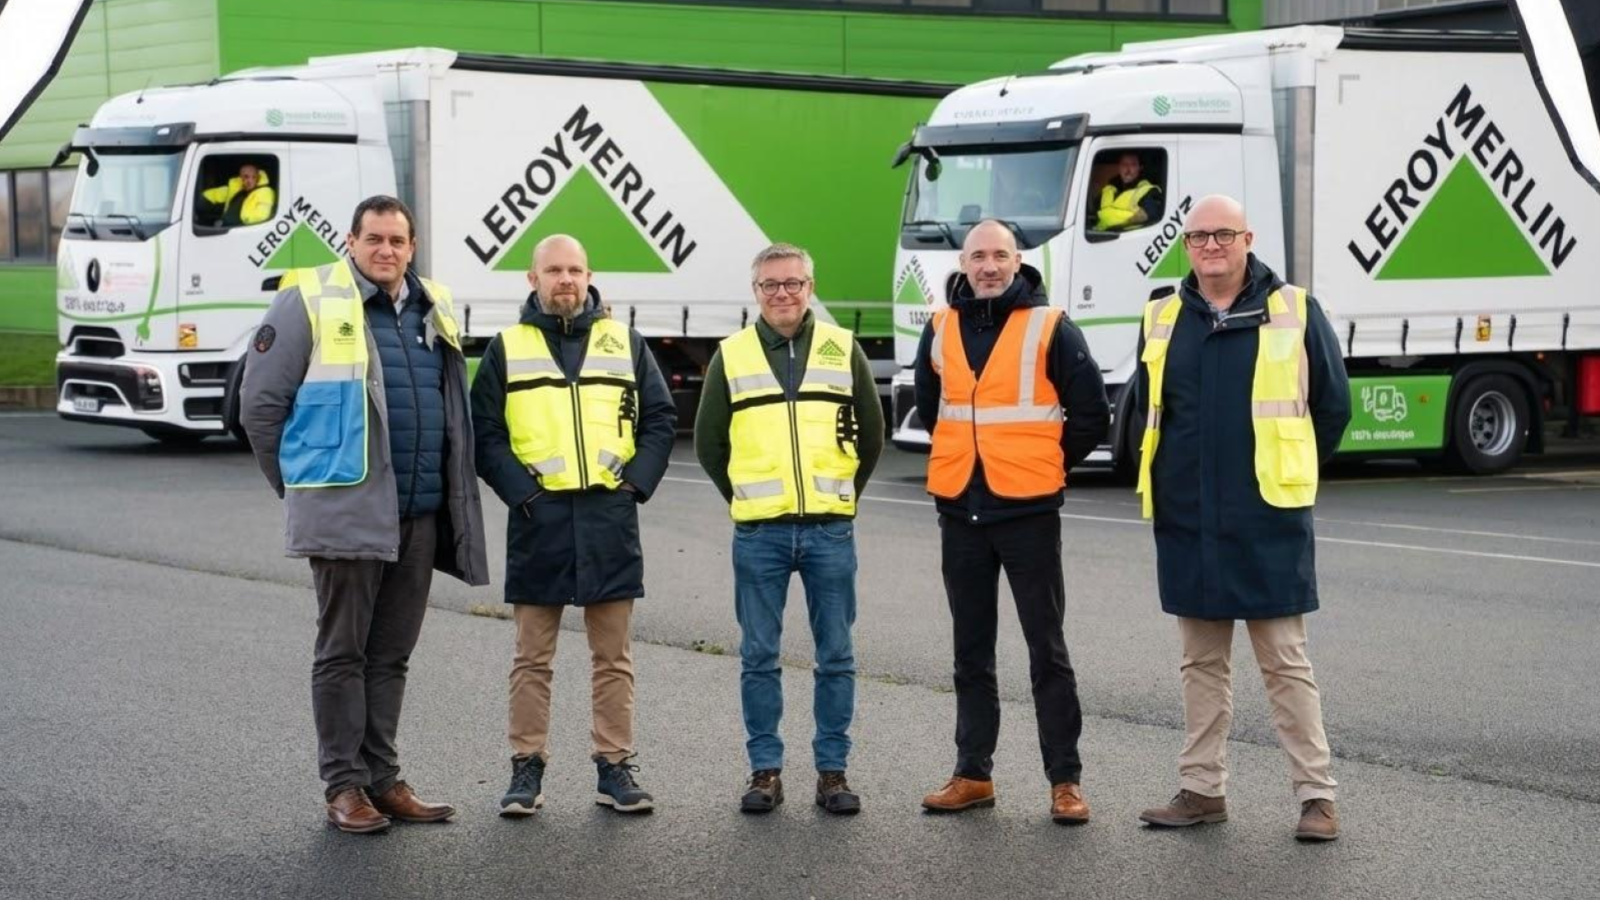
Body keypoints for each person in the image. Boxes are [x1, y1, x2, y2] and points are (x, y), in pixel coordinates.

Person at [239, 194, 488, 834]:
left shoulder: (432, 304)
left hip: (419, 514)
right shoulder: (310, 299)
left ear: (412, 246)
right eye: (373, 239)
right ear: (350, 241)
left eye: (397, 241)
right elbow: (261, 406)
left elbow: (448, 406)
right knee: (342, 653)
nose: (385, 251)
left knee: (391, 656)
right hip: (347, 513)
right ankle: (344, 787)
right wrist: (301, 490)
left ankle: (382, 778)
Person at [1132, 194, 1351, 842]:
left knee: (1284, 661)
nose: (1210, 247)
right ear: (1187, 246)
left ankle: (1317, 797)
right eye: (1198, 237)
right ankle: (1202, 790)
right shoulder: (1163, 316)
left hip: (1268, 518)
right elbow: (1152, 410)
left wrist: (1293, 473)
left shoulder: (1294, 310)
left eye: (1223, 235)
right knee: (1200, 664)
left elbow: (1331, 409)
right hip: (1188, 517)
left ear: (1247, 239)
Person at [471, 234, 676, 817]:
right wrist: (522, 493)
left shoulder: (625, 342)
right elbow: (484, 431)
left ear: (589, 277)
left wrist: (635, 484)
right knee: (532, 657)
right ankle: (525, 770)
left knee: (613, 656)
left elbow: (661, 417)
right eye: (554, 270)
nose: (566, 280)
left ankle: (613, 767)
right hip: (539, 518)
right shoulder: (507, 348)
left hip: (608, 517)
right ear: (532, 279)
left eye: (576, 270)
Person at [913, 219, 1109, 824]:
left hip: (1027, 512)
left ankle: (1065, 782)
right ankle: (973, 774)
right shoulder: (941, 325)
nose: (989, 266)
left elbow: (1092, 415)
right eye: (978, 256)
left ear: (1018, 260)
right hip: (960, 512)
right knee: (970, 653)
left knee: (1045, 651)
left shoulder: (1050, 326)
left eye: (1000, 255)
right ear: (964, 263)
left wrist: (1043, 464)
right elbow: (930, 406)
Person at [694, 243, 884, 815]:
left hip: (829, 532)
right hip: (760, 535)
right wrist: (747, 502)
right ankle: (765, 772)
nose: (783, 293)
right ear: (756, 292)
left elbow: (871, 437)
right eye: (771, 285)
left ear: (810, 286)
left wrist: (841, 496)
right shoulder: (732, 355)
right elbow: (709, 444)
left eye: (793, 283)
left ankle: (833, 773)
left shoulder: (841, 348)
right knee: (758, 656)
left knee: (837, 656)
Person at [1092, 152, 1162, 231]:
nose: (1128, 169)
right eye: (1124, 164)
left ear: (1140, 168)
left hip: (1129, 238)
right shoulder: (1109, 189)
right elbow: (1094, 211)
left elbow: (1151, 216)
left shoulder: (1146, 189)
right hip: (1100, 237)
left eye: (1133, 164)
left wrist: (1116, 226)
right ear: (1119, 167)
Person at [202, 163, 275, 227]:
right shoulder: (237, 188)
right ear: (241, 177)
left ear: (258, 178)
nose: (249, 181)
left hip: (240, 229)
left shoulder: (265, 192)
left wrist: (240, 224)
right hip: (223, 225)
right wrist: (203, 197)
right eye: (246, 177)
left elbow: (261, 216)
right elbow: (216, 193)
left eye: (254, 177)